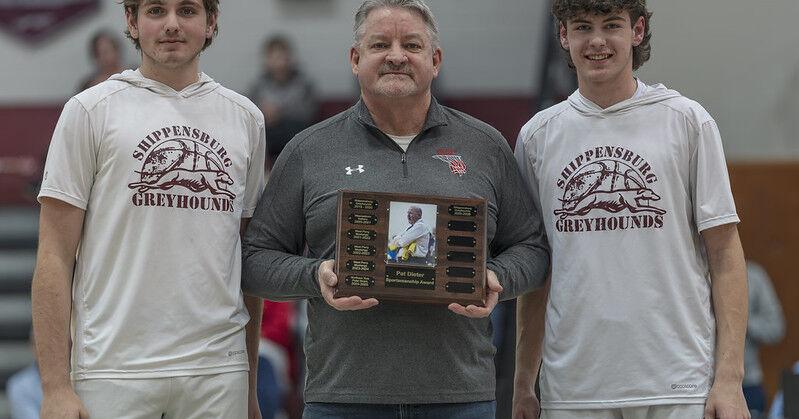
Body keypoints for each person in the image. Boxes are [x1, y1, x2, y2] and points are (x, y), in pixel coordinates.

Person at [242, 0, 549, 417]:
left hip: (460, 398)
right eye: (380, 44)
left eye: (412, 45)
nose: (396, 56)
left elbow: (532, 247)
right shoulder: (308, 150)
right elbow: (254, 261)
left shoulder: (486, 146)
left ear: (435, 60)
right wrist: (316, 275)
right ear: (355, 59)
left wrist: (497, 277)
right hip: (341, 398)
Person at [513, 1, 749, 419]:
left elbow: (726, 256)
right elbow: (536, 270)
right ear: (564, 37)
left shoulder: (688, 121)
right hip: (572, 389)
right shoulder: (537, 137)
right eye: (583, 27)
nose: (598, 41)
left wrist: (729, 380)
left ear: (637, 32)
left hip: (677, 383)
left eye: (612, 25)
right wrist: (522, 385)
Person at [31, 0, 266, 417]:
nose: (172, 24)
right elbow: (53, 255)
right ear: (132, 22)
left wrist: (248, 386)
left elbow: (246, 260)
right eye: (156, 10)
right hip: (112, 368)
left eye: (188, 11)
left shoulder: (245, 118)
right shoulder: (88, 111)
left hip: (218, 369)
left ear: (211, 23)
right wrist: (54, 386)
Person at [248, 35, 318, 167]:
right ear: (267, 60)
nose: (279, 63)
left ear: (290, 58)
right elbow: (250, 113)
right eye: (274, 58)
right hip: (269, 135)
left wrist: (279, 113)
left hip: (295, 133)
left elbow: (308, 113)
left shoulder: (303, 83)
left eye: (282, 57)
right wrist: (264, 114)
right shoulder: (259, 85)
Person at [744, 261, 785, 418]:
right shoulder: (690, 273)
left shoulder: (753, 276)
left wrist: (739, 321)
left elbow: (776, 327)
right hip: (697, 384)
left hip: (747, 383)